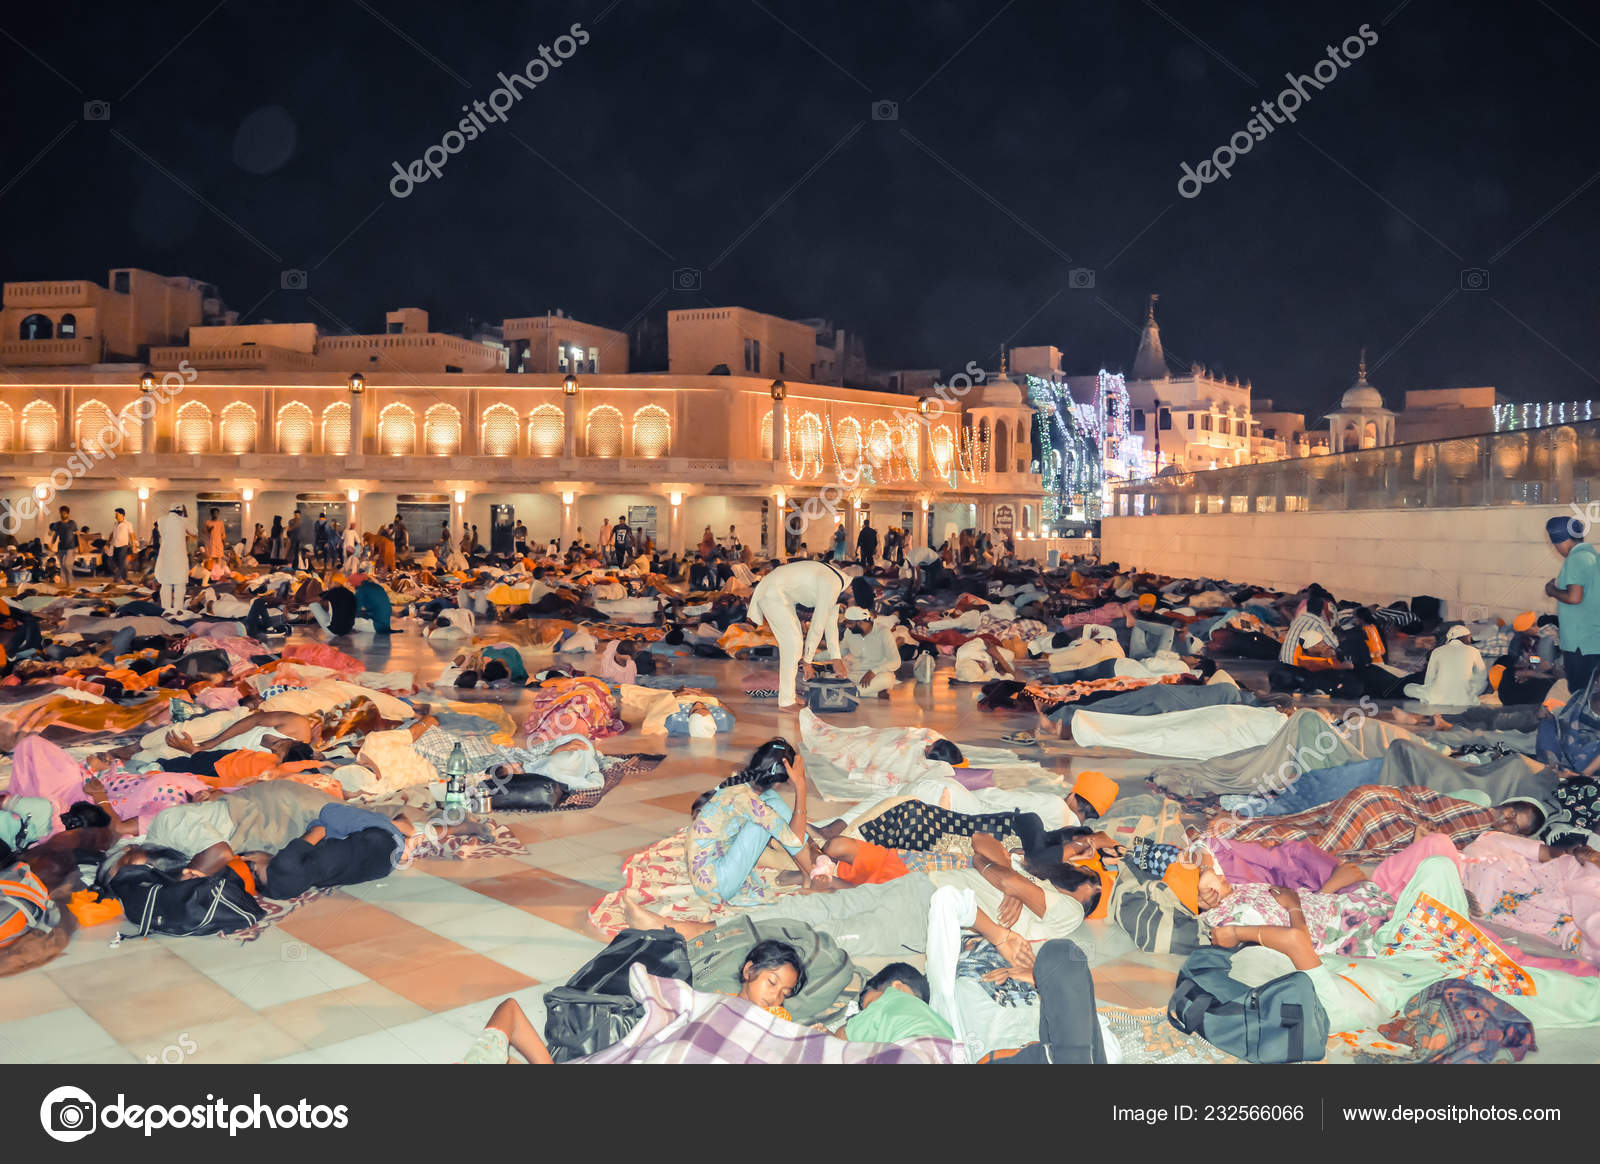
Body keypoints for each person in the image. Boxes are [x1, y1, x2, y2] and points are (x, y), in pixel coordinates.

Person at [687, 739, 820, 904]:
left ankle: (809, 873)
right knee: (768, 817)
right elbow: (795, 839)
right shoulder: (749, 801)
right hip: (716, 885)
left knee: (772, 802)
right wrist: (801, 785)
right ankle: (815, 874)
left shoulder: (740, 782)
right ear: (778, 782)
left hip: (709, 873)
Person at [745, 558, 849, 708]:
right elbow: (817, 626)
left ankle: (789, 696)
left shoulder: (837, 584)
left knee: (794, 643)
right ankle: (786, 701)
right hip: (773, 593)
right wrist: (807, 661)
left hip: (777, 592)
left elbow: (830, 625)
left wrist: (836, 659)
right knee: (793, 644)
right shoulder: (832, 585)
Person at [1547, 514, 1600, 694]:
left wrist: (1552, 590)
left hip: (1580, 645)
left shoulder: (1576, 559)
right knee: (1593, 698)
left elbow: (1574, 597)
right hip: (1594, 641)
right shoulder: (1594, 557)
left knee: (1580, 697)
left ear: (1560, 541)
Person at [1402, 623, 1488, 706]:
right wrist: (1471, 690)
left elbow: (1429, 678)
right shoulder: (1473, 651)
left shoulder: (1437, 651)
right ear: (1467, 637)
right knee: (1483, 682)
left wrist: (1426, 698)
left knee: (1407, 688)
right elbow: (1482, 676)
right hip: (1465, 699)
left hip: (1438, 698)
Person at [840, 605, 900, 698]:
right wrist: (812, 657)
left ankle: (851, 693)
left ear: (859, 622)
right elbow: (839, 651)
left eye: (849, 623)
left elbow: (896, 661)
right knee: (829, 678)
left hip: (876, 676)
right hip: (855, 675)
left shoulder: (883, 632)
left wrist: (873, 671)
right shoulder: (849, 633)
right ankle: (872, 693)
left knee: (887, 680)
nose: (847, 626)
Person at [154, 503, 194, 613]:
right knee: (179, 585)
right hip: (179, 559)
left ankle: (166, 610)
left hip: (165, 558)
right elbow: (194, 531)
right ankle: (177, 611)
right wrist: (186, 516)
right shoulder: (183, 521)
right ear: (181, 512)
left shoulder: (161, 520)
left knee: (165, 585)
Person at [49, 505, 76, 587]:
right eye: (61, 513)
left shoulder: (72, 523)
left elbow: (77, 535)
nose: (62, 515)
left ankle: (70, 581)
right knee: (62, 565)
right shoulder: (57, 524)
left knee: (67, 564)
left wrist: (80, 547)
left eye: (64, 513)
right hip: (61, 547)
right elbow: (55, 535)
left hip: (70, 547)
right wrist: (51, 545)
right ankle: (67, 582)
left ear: (68, 514)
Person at [108, 507, 133, 582]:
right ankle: (125, 577)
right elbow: (112, 533)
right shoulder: (115, 524)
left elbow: (131, 534)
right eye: (115, 514)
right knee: (116, 562)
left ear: (122, 515)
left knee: (121, 562)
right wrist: (108, 542)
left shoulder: (127, 524)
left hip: (123, 545)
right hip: (115, 545)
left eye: (117, 514)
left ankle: (116, 577)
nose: (115, 516)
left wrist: (133, 544)